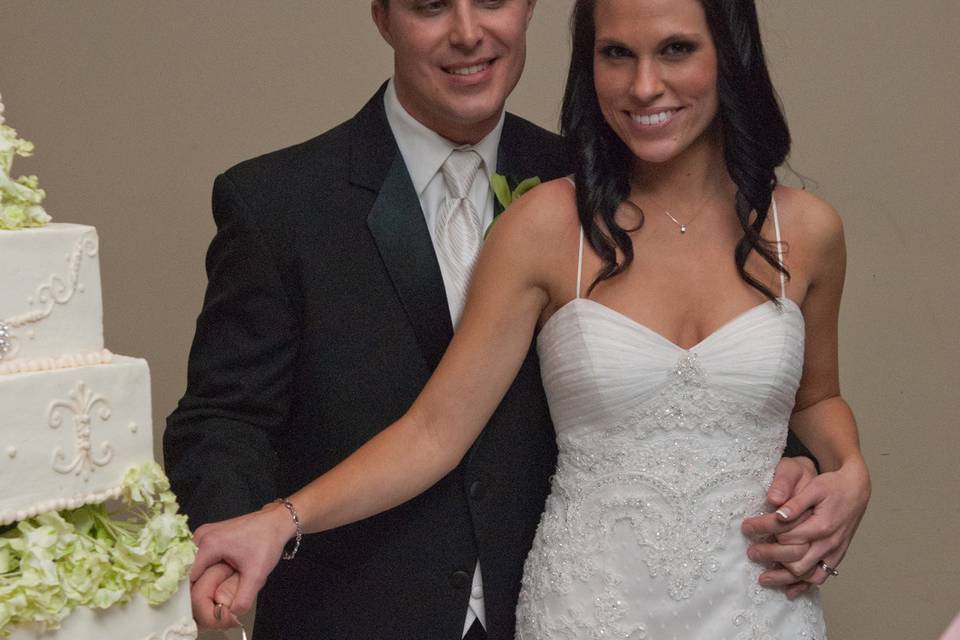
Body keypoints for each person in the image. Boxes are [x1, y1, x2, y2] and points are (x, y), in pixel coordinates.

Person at [172, 0, 869, 638]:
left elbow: (813, 398)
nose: (645, 86)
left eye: (678, 50)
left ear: (729, 54)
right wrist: (273, 521)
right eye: (616, 55)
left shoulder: (808, 230)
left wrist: (849, 472)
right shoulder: (549, 219)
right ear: (382, 16)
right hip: (575, 608)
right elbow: (434, 429)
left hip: (754, 607)